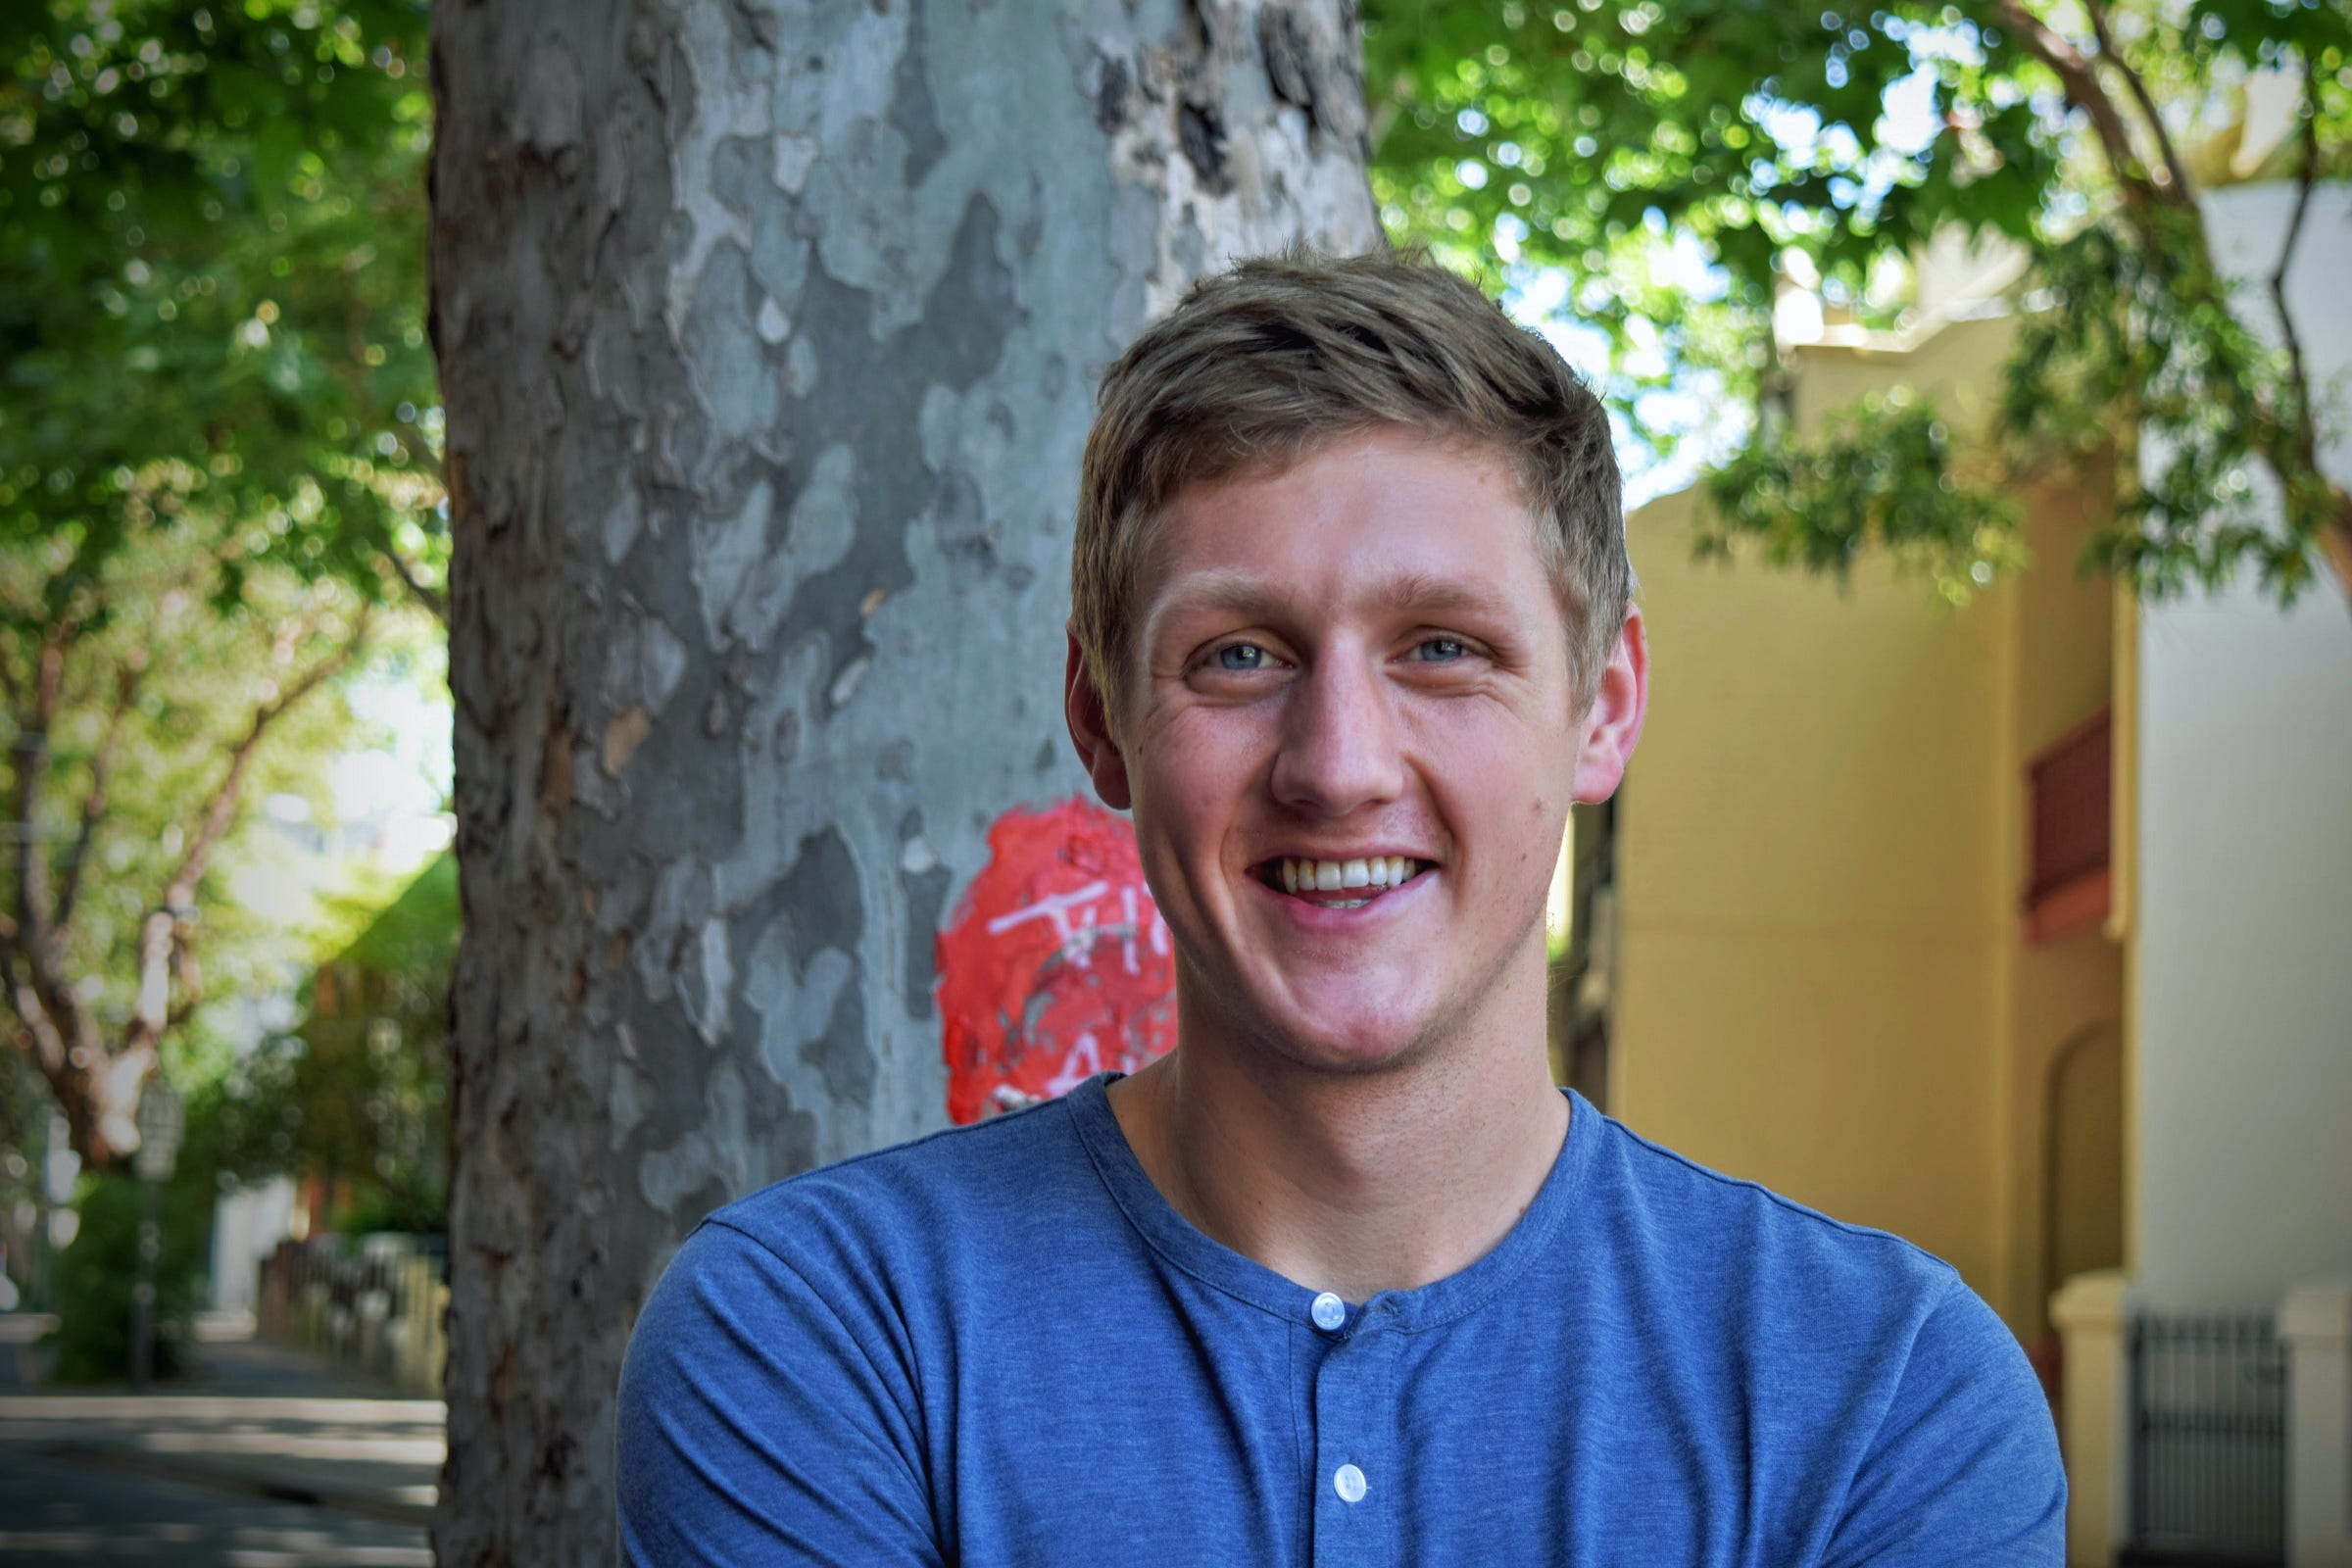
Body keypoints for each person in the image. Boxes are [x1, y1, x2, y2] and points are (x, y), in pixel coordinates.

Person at [616, 250, 2065, 1565]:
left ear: (1605, 707)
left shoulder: (1885, 1398)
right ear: (1100, 718)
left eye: (1442, 648)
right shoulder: (822, 1337)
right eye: (1240, 656)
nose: (1340, 766)